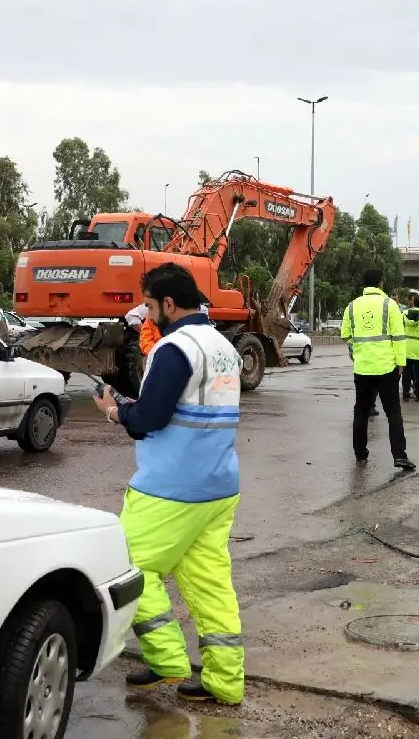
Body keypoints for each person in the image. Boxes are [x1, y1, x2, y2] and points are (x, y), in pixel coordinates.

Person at [92, 263, 244, 704]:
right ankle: (225, 682)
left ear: (169, 304)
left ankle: (166, 660)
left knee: (127, 566)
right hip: (218, 485)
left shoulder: (176, 347)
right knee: (211, 584)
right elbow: (183, 406)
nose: (148, 312)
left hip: (170, 488)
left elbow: (148, 420)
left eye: (151, 304)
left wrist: (114, 410)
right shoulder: (221, 346)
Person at [340, 270, 416, 469]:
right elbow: (399, 336)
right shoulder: (389, 305)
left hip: (363, 367)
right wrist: (401, 363)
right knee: (393, 412)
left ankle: (360, 454)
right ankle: (399, 455)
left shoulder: (352, 305)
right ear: (381, 284)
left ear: (365, 285)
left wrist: (356, 349)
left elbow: (345, 334)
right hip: (386, 367)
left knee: (361, 412)